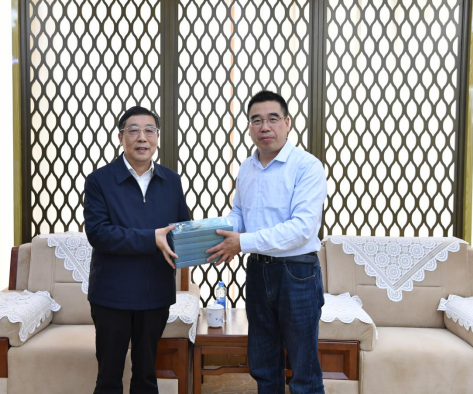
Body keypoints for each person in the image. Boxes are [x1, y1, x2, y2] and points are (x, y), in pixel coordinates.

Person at [207, 91, 328, 393]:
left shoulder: (307, 166)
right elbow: (239, 213)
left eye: (273, 119)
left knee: (303, 371)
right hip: (258, 270)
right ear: (249, 127)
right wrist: (216, 234)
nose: (265, 127)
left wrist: (242, 242)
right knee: (263, 364)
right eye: (256, 120)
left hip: (297, 272)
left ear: (287, 123)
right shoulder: (247, 167)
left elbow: (302, 229)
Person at [83, 106, 190, 394]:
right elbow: (99, 234)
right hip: (112, 295)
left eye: (149, 130)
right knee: (108, 379)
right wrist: (151, 238)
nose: (142, 137)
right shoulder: (99, 180)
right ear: (121, 137)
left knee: (146, 378)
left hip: (156, 292)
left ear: (157, 137)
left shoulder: (172, 181)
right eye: (133, 130)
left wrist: (206, 245)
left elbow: (181, 229)